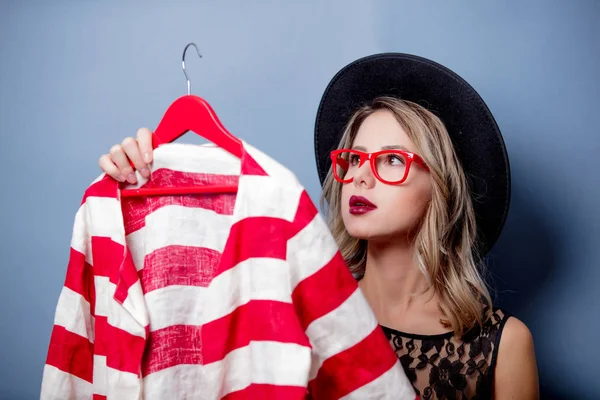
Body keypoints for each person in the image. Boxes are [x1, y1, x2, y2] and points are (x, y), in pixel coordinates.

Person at [97, 53, 539, 399]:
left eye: (391, 159)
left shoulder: (503, 346)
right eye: (353, 158)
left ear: (440, 187)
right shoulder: (294, 309)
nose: (361, 176)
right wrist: (147, 178)